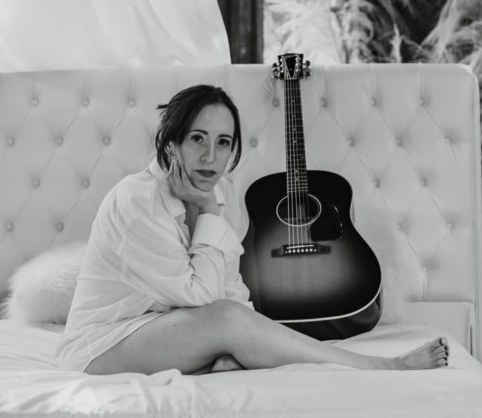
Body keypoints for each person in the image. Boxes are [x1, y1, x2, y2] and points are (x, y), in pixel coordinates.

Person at [56, 84, 450, 375]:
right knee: (227, 319)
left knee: (236, 319)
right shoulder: (137, 202)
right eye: (197, 139)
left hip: (166, 330)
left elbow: (231, 291)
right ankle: (377, 366)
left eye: (223, 143)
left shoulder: (222, 192)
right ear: (172, 144)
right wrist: (207, 212)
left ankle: (227, 359)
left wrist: (250, 340)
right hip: (102, 346)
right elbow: (202, 299)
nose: (210, 157)